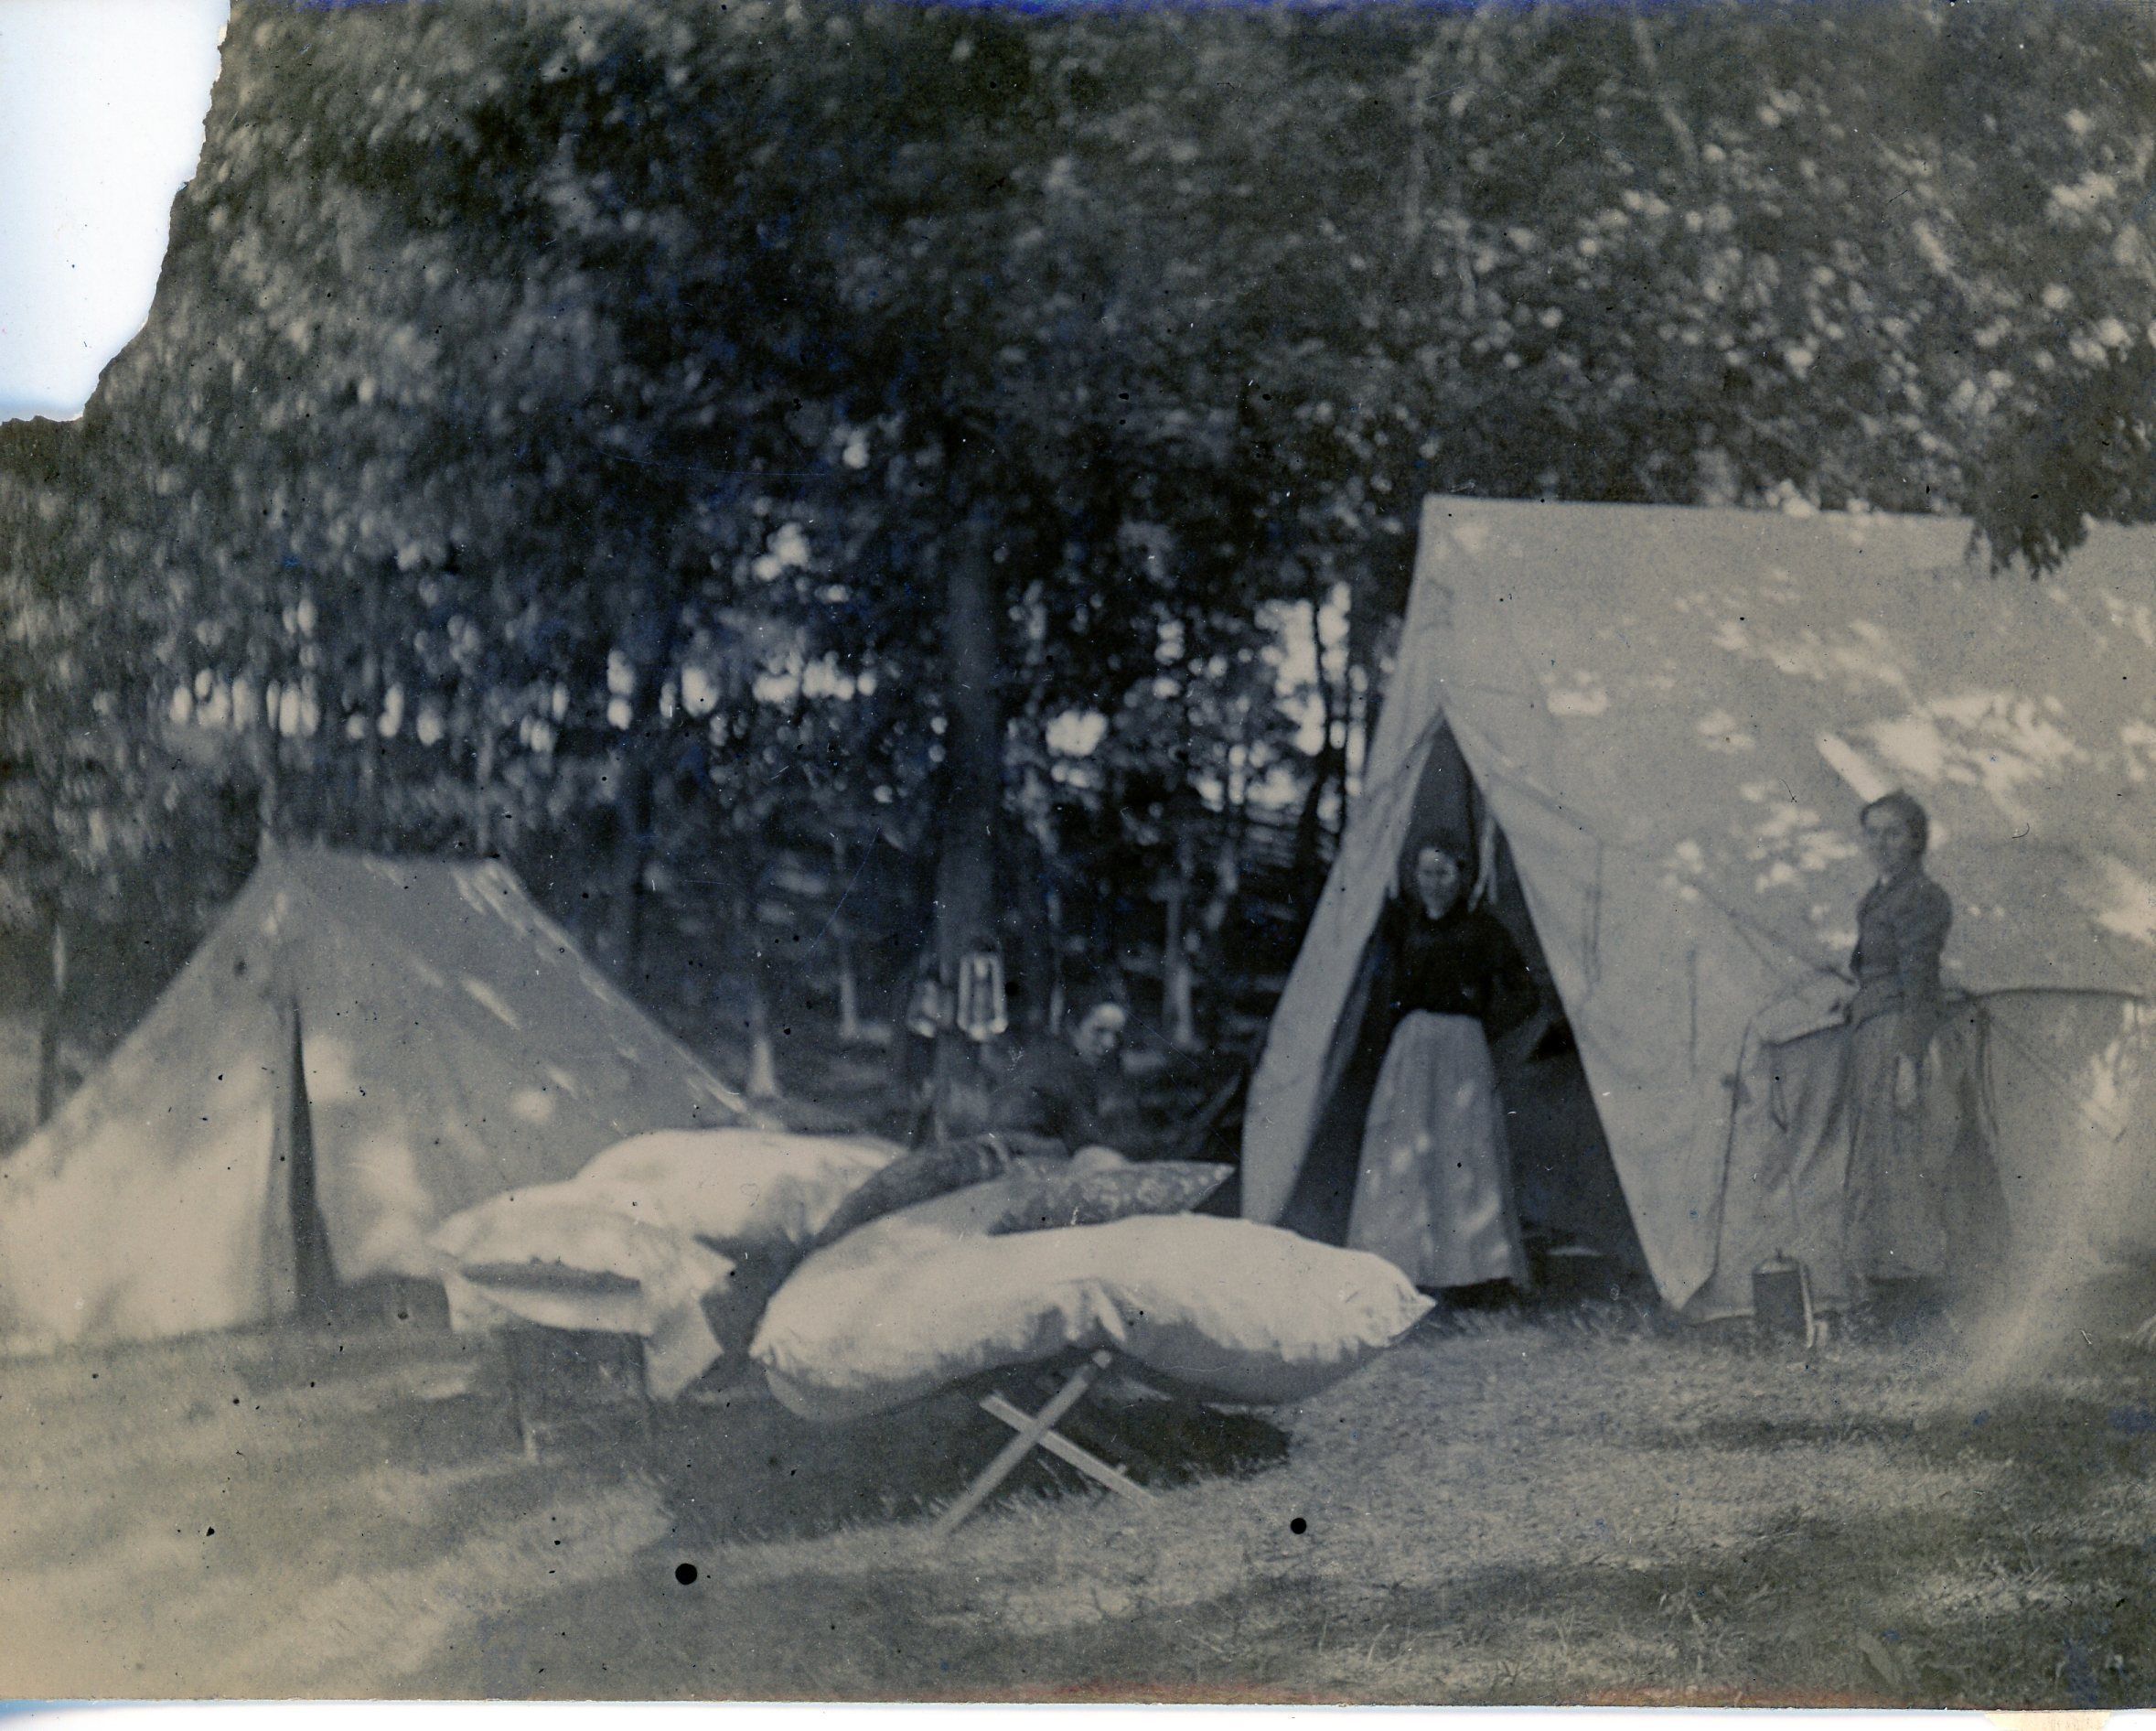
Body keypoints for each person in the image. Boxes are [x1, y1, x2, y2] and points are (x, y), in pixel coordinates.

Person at [1345, 843, 1539, 1294]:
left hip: (1461, 1050)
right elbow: (1386, 985)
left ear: (1462, 877)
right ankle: (1402, 1260)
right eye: (1426, 873)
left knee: (1461, 1148)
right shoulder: (1403, 925)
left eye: (1444, 873)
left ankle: (1470, 1271)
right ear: (1414, 876)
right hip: (1412, 1047)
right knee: (1406, 1145)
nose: (1434, 883)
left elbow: (1525, 992)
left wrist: (1481, 1025)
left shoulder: (1483, 929)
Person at [1840, 790, 2001, 1313]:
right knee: (1880, 1158)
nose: (1880, 844)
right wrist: (1856, 999)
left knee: (1906, 1157)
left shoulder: (1922, 898)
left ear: (1916, 840)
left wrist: (1909, 1063)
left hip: (1900, 1038)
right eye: (1872, 833)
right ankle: (1889, 1279)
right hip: (1873, 1033)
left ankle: (1919, 1282)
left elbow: (1920, 985)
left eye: (1893, 833)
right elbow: (1880, 970)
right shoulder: (1878, 897)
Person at [984, 986, 1129, 1159]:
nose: (1109, 1043)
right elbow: (1086, 1139)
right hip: (1020, 1153)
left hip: (1011, 1148)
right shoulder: (1065, 1066)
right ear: (1072, 1026)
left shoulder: (1050, 1051)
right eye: (1099, 1031)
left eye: (1116, 1035)